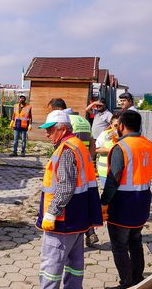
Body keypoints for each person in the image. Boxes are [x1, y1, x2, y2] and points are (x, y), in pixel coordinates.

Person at [36, 110, 102, 289]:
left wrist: (51, 213)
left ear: (62, 129)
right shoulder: (78, 145)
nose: (46, 133)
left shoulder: (66, 150)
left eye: (50, 129)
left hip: (63, 220)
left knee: (51, 265)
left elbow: (66, 187)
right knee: (75, 264)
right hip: (78, 217)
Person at [101, 110, 152, 288]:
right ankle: (137, 277)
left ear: (122, 126)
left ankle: (126, 282)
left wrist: (103, 202)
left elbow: (114, 179)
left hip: (123, 204)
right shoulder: (149, 145)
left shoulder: (122, 147)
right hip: (142, 202)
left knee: (119, 245)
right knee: (135, 240)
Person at [45, 98, 99, 247]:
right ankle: (90, 232)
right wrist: (89, 161)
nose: (47, 134)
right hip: (84, 167)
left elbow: (66, 183)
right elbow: (92, 143)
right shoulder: (83, 120)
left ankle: (89, 232)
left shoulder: (67, 125)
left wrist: (51, 212)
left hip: (67, 206)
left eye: (51, 112)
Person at [95, 114, 120, 186]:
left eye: (119, 125)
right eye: (115, 125)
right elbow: (96, 149)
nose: (117, 128)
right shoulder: (105, 134)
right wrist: (111, 150)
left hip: (120, 172)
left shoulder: (124, 135)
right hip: (105, 172)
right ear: (111, 125)